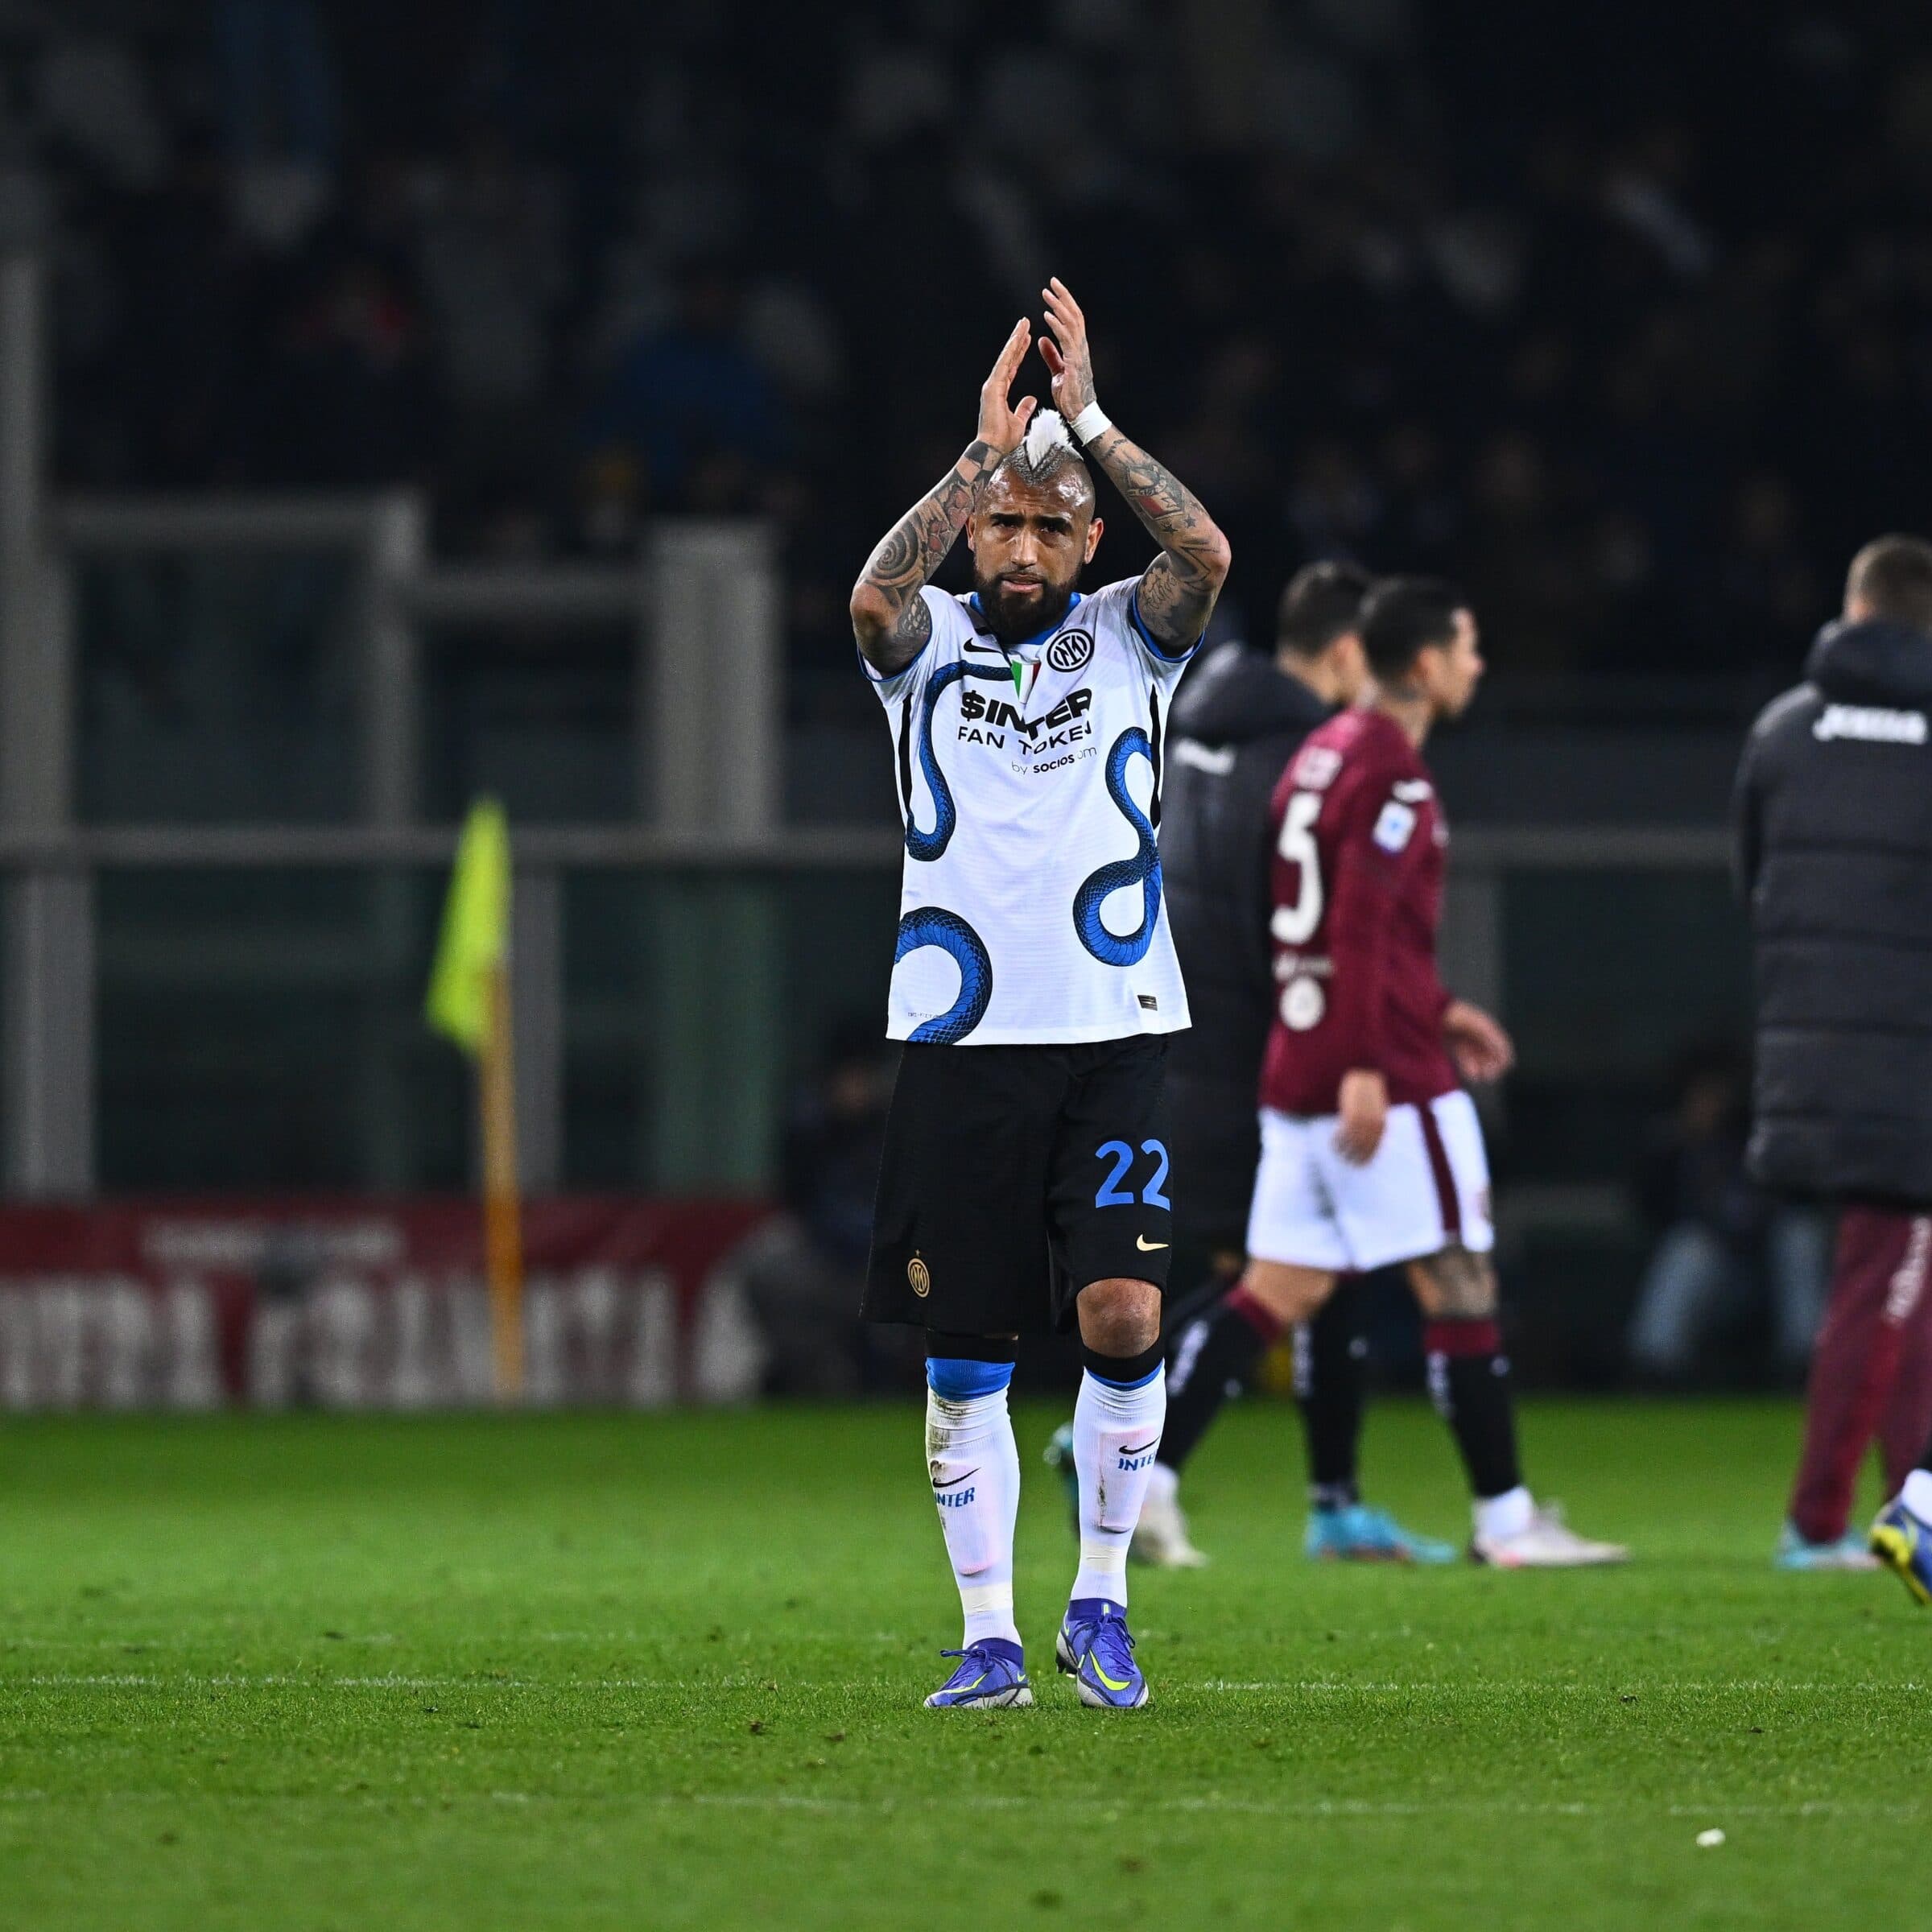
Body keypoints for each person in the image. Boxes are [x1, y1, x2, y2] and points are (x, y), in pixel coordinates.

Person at [850, 282, 1230, 1709]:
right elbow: (872, 597)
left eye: (1049, 526)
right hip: (961, 1043)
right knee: (968, 1356)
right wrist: (981, 452)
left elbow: (1206, 549)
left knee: (1126, 1317)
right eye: (1004, 524)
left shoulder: (1136, 632)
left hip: (1115, 1033)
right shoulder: (929, 646)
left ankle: (1102, 1606)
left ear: (1089, 540)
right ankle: (989, 1639)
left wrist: (1090, 425)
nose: (1021, 546)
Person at [1141, 578, 1627, 1566]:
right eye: (1468, 647)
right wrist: (1369, 1060)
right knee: (1458, 1275)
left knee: (1277, 1287)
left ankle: (1141, 1482)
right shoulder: (1393, 773)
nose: (1477, 666)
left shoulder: (1318, 753)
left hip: (1294, 1066)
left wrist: (1435, 1005)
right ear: (1425, 664)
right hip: (1381, 1074)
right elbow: (1357, 924)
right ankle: (1506, 1522)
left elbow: (1321, 923)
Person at [1104, 562, 1451, 1565]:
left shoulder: (1185, 729)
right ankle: (1131, 1451)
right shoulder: (1316, 760)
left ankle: (1328, 1501)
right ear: (1345, 654)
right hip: (1272, 1053)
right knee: (1288, 1273)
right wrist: (1352, 1049)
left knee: (1299, 1270)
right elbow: (1315, 928)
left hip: (1172, 1043)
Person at [1734, 534, 1932, 1572]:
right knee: (1884, 1275)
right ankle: (1820, 1522)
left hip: (1807, 1042)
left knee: (1898, 1274)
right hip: (1910, 1058)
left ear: (1854, 610)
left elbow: (1753, 882)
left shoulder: (1781, 730)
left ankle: (1907, 1505)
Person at [1624, 1045, 1830, 1386]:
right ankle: (1654, 1369)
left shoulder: (1765, 1136)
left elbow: (1806, 1197)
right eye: (1702, 1094)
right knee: (1689, 1247)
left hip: (1773, 1274)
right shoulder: (1672, 1144)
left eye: (1719, 1093)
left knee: (1799, 1236)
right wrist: (1683, 1144)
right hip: (1720, 1277)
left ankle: (1804, 1365)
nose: (1712, 1103)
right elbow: (1649, 1210)